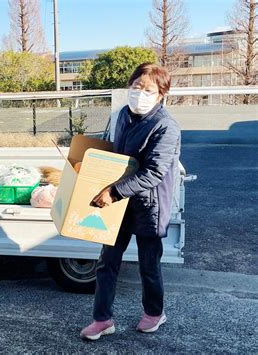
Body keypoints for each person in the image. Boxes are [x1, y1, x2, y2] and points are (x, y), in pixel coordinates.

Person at [80, 63, 181, 340]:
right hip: (118, 203)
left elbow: (154, 172)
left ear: (160, 94)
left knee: (149, 265)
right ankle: (102, 319)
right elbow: (108, 149)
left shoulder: (166, 126)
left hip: (149, 205)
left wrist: (113, 192)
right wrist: (86, 169)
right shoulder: (121, 115)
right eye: (136, 87)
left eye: (148, 90)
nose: (140, 93)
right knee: (107, 262)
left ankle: (154, 313)